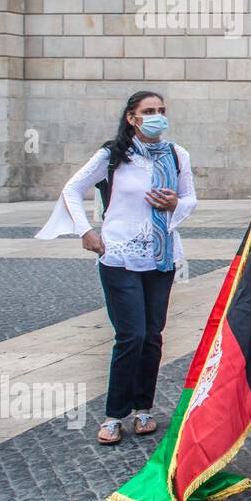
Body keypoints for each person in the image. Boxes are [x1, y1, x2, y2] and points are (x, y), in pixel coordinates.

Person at [36, 91, 196, 446]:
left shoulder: (176, 154)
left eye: (161, 110)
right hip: (119, 254)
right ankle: (113, 415)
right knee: (131, 334)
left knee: (153, 334)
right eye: (149, 111)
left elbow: (190, 198)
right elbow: (71, 189)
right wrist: (86, 230)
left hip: (161, 255)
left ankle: (143, 409)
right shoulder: (112, 155)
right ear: (132, 117)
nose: (157, 116)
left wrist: (175, 204)